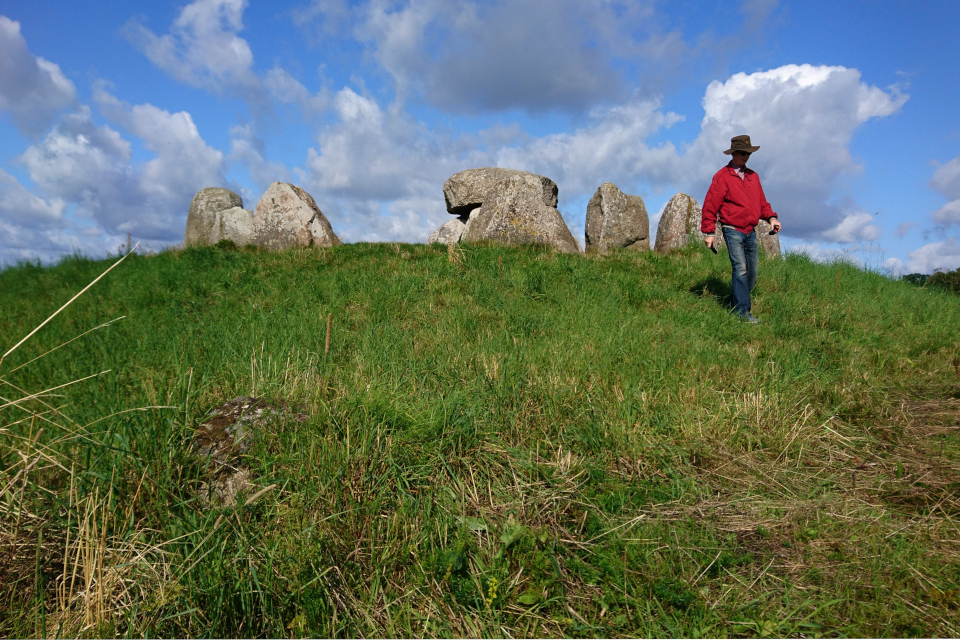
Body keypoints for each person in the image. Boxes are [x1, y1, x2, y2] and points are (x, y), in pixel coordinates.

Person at [701, 134, 781, 323]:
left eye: (748, 153)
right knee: (741, 270)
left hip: (750, 231)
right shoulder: (722, 177)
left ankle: (734, 304)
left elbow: (761, 202)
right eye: (742, 153)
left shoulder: (753, 176)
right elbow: (711, 205)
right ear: (733, 153)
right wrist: (709, 232)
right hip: (732, 229)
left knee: (752, 274)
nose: (745, 156)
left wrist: (771, 217)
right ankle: (743, 313)